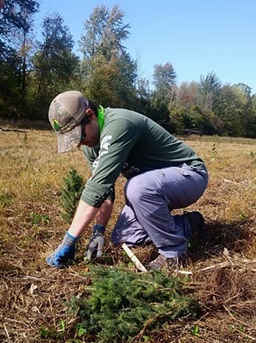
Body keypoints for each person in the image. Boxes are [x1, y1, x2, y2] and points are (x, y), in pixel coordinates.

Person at [46, 90, 208, 271]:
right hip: (154, 188)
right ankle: (189, 224)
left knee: (137, 187)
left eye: (79, 136)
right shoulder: (91, 145)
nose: (78, 144)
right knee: (125, 236)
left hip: (189, 175)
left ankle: (173, 253)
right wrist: (98, 230)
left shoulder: (119, 124)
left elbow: (95, 189)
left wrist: (69, 240)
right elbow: (104, 190)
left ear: (89, 115)